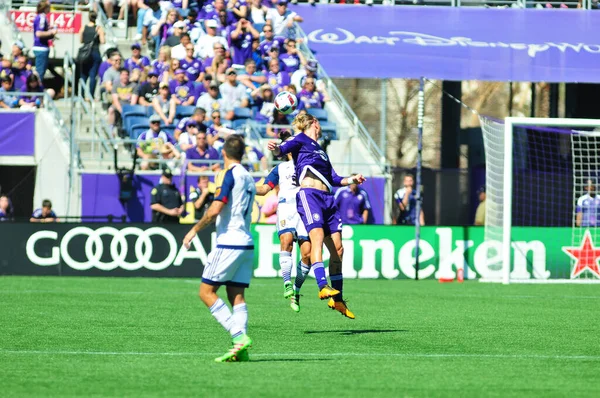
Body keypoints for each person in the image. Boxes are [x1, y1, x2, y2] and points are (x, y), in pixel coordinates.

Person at [267, 113, 366, 319]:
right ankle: (322, 285)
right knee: (317, 239)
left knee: (338, 248)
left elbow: (334, 178)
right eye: (319, 123)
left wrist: (353, 179)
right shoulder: (300, 138)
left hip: (328, 198)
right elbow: (281, 150)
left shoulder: (321, 151)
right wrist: (275, 148)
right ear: (315, 123)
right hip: (309, 195)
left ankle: (338, 300)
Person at [182, 135, 256, 362]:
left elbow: (215, 209)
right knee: (236, 295)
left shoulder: (229, 175)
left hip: (229, 241)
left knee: (206, 292)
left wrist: (194, 229)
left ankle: (238, 337)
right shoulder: (249, 177)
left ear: (223, 153)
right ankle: (241, 351)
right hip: (246, 243)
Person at [256, 130, 311, 311]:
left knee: (307, 255)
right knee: (286, 241)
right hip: (287, 208)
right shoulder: (280, 169)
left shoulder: (309, 164)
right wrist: (246, 185)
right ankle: (287, 282)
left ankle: (296, 290)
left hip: (305, 209)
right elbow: (264, 189)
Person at [79, 11, 105, 98]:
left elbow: (81, 40)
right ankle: (91, 95)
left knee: (83, 75)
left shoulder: (83, 27)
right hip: (95, 52)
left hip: (85, 53)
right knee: (93, 75)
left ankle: (81, 95)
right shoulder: (98, 28)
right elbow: (103, 41)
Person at [33, 0, 57, 81]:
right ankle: (37, 92)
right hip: (41, 47)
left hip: (41, 47)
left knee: (41, 71)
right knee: (40, 73)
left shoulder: (41, 17)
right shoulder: (42, 18)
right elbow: (38, 33)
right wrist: (51, 32)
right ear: (45, 8)